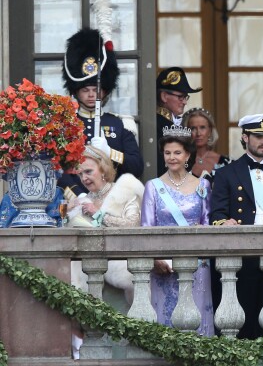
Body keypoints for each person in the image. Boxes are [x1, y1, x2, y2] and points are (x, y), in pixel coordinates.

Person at [210, 114, 263, 339]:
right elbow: (216, 214)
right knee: (243, 324)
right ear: (245, 137)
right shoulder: (227, 173)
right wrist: (224, 222)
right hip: (242, 257)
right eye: (259, 136)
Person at [67, 145, 144, 359]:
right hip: (91, 283)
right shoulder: (82, 200)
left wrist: (98, 214)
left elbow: (133, 224)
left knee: (121, 342)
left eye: (88, 171)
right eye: (80, 173)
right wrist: (69, 216)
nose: (84, 177)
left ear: (103, 168)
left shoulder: (124, 191)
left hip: (121, 280)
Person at [141, 124, 214, 336]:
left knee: (196, 320)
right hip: (164, 265)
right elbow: (146, 228)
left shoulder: (203, 186)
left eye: (177, 152)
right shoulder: (153, 187)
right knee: (166, 320)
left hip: (196, 265)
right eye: (167, 153)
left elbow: (207, 225)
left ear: (188, 155)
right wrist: (156, 259)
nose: (172, 157)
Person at [59, 28, 144, 199]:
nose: (91, 95)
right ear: (76, 92)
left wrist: (110, 152)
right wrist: (78, 195)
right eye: (85, 90)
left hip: (114, 200)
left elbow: (136, 167)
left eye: (96, 89)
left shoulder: (120, 124)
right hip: (75, 201)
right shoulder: (65, 124)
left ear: (105, 92)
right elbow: (57, 168)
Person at [156, 67, 202, 176]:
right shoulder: (155, 125)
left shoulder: (176, 124)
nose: (185, 102)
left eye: (186, 97)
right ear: (164, 96)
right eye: (181, 97)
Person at [181, 107, 230, 184]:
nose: (198, 133)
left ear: (210, 131)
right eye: (193, 128)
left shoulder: (227, 163)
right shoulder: (178, 161)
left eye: (202, 127)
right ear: (186, 131)